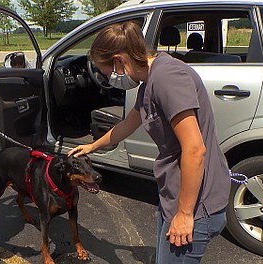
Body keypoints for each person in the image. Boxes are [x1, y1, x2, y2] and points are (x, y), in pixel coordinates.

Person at [68, 21, 230, 263]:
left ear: (120, 61)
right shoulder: (150, 81)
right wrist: (93, 146)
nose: (108, 79)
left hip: (195, 207)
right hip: (175, 194)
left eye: (105, 72)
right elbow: (128, 124)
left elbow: (195, 149)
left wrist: (185, 214)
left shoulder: (167, 78)